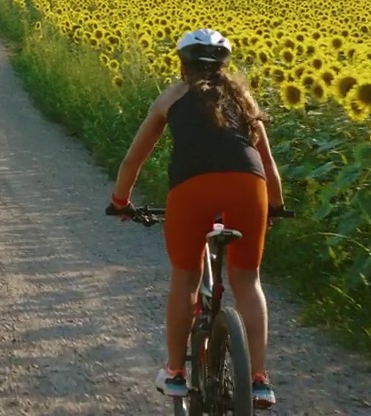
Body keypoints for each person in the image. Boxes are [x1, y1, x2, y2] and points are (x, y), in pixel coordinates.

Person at [106, 27, 287, 409]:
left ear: (182, 64)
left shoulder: (171, 97)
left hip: (191, 189)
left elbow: (133, 158)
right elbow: (268, 164)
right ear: (224, 66)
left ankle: (175, 372)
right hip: (247, 186)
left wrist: (121, 200)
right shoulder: (243, 99)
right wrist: (275, 207)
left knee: (185, 278)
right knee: (248, 280)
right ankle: (258, 380)